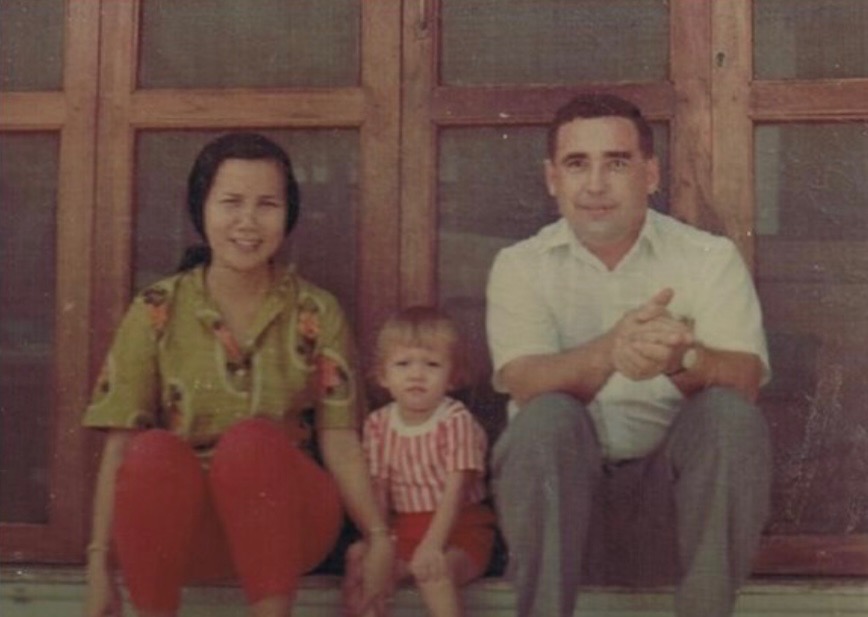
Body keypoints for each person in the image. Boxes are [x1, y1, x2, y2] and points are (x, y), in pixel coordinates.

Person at [83, 132, 393, 617]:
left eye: (267, 204)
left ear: (288, 214)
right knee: (152, 452)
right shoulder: (156, 308)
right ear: (201, 209)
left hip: (290, 521)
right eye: (231, 202)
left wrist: (378, 536)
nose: (248, 222)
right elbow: (120, 447)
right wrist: (99, 565)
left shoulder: (316, 310)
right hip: (193, 536)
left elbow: (340, 439)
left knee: (251, 443)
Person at [485, 94, 772, 617]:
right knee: (544, 416)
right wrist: (612, 350)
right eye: (577, 164)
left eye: (616, 163)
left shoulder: (707, 257)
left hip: (676, 517)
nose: (595, 184)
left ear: (650, 174)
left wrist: (680, 360)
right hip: (560, 521)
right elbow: (524, 379)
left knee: (730, 416)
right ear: (552, 178)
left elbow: (747, 378)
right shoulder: (520, 265)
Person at [343, 306, 496, 617]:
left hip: (460, 531)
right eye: (403, 364)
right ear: (383, 375)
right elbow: (379, 490)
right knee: (360, 559)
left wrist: (433, 546)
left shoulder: (455, 420)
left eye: (432, 364)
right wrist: (378, 548)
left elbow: (456, 491)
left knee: (432, 572)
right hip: (404, 531)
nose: (416, 374)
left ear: (452, 377)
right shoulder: (378, 424)